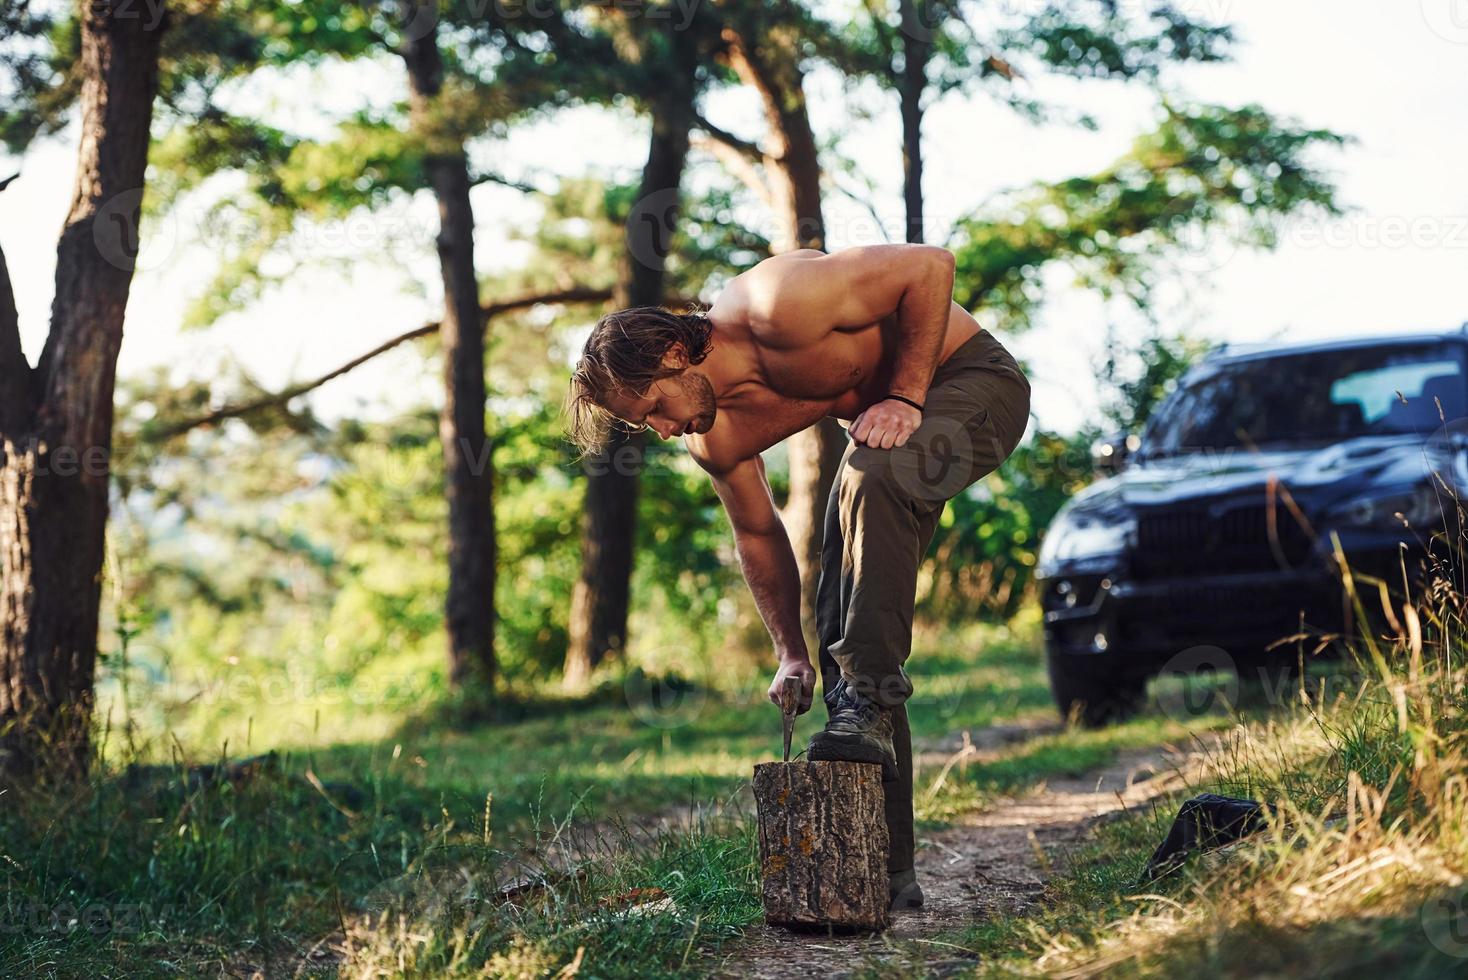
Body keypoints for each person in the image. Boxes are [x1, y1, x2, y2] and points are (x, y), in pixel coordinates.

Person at [566, 244, 1031, 908]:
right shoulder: (715, 439)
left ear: (673, 355)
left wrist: (903, 393)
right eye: (647, 426)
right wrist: (790, 652)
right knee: (845, 626)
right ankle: (886, 874)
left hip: (973, 383)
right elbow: (758, 533)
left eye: (655, 409)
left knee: (870, 475)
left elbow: (930, 265)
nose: (664, 432)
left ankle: (865, 704)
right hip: (889, 439)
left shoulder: (778, 303)